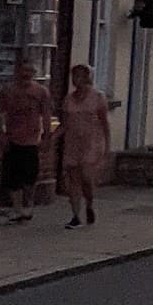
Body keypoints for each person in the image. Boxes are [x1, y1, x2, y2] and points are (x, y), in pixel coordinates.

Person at [0, 59, 52, 222]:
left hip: (31, 140)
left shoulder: (41, 92)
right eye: (23, 70)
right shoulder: (8, 91)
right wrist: (1, 133)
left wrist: (46, 136)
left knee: (29, 176)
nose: (26, 74)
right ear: (17, 72)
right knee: (12, 176)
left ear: (34, 73)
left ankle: (28, 204)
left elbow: (46, 115)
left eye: (29, 71)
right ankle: (17, 209)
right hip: (12, 138)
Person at [56, 64, 111, 228]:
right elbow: (64, 124)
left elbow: (104, 123)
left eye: (79, 76)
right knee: (73, 179)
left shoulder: (98, 98)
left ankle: (89, 204)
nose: (76, 80)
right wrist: (51, 139)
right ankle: (75, 216)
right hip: (73, 142)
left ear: (87, 78)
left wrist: (107, 146)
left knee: (86, 177)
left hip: (92, 142)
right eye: (74, 76)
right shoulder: (69, 99)